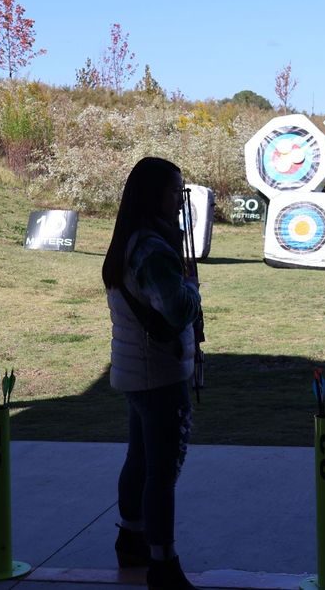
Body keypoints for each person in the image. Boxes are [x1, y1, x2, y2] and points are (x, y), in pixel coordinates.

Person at [102, 157, 202, 590]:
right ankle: (163, 564)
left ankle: (132, 538)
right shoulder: (152, 248)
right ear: (153, 195)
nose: (179, 203)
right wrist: (194, 288)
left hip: (137, 370)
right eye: (174, 192)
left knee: (141, 458)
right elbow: (177, 309)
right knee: (161, 471)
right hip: (157, 374)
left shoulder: (134, 240)